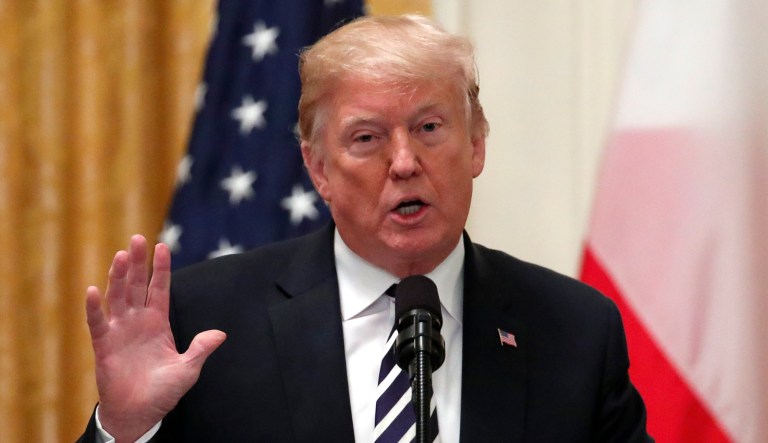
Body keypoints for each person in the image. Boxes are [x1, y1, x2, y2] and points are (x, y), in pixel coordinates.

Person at [79, 14, 651, 443]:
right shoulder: (206, 321)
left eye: (429, 128)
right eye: (367, 138)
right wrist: (124, 430)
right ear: (318, 169)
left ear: (477, 144)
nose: (404, 162)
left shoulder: (574, 331)